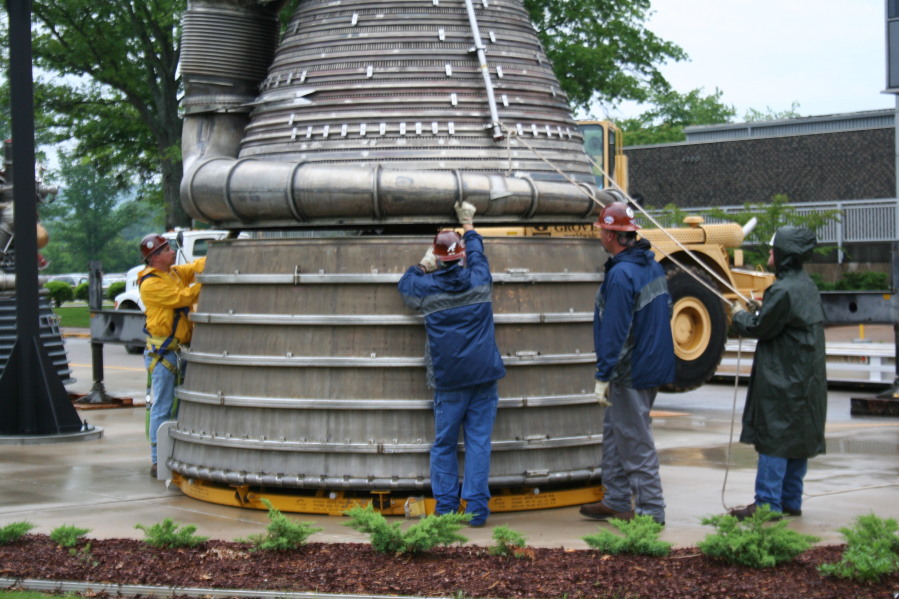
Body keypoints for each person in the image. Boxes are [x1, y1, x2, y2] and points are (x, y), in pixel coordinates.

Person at [397, 201, 506, 527]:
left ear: (438, 258)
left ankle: (445, 509)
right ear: (459, 256)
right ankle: (476, 512)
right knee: (478, 442)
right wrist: (469, 224)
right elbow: (478, 254)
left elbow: (405, 286)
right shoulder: (479, 279)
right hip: (484, 375)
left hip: (449, 380)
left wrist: (421, 265)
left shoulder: (425, 288)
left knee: (444, 443)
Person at [579, 202, 675, 526]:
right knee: (614, 432)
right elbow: (667, 311)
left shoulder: (621, 274)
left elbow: (614, 330)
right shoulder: (651, 265)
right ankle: (617, 499)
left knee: (634, 440)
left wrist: (603, 374)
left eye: (603, 230)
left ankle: (652, 512)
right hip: (651, 364)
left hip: (631, 370)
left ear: (612, 234)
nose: (600, 235)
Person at [727, 226, 827, 520]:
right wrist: (761, 307)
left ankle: (768, 504)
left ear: (784, 255)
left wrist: (739, 315)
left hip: (784, 377)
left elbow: (761, 328)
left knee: (775, 438)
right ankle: (790, 500)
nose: (769, 253)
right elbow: (782, 318)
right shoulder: (806, 285)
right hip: (806, 378)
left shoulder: (782, 290)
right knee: (797, 438)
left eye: (774, 249)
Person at [138, 233, 206, 478]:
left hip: (178, 350)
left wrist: (218, 256)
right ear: (155, 258)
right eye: (166, 249)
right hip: (164, 352)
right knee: (163, 406)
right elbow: (183, 298)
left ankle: (176, 452)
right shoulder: (151, 284)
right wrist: (208, 281)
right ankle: (158, 459)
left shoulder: (174, 274)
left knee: (181, 406)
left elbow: (194, 267)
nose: (172, 251)